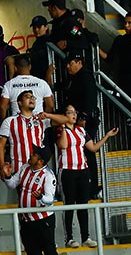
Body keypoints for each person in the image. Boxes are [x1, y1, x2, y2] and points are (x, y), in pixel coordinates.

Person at [44, 105, 119, 247]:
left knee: (83, 204)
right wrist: (65, 127)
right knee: (69, 204)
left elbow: (93, 148)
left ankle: (86, 237)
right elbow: (63, 145)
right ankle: (69, 238)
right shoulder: (59, 129)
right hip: (67, 170)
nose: (73, 115)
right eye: (70, 112)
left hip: (83, 170)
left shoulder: (81, 130)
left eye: (75, 112)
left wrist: (107, 136)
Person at [3, 146, 64, 255]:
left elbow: (50, 199)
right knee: (33, 253)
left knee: (50, 252)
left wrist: (40, 198)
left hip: (43, 220)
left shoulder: (48, 175)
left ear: (41, 161)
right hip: (26, 220)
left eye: (34, 155)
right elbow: (12, 185)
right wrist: (7, 176)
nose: (30, 155)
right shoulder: (24, 167)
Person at [0, 90, 46, 181]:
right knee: (24, 195)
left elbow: (64, 119)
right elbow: (0, 145)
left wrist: (48, 115)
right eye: (27, 96)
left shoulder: (40, 120)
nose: (31, 98)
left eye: (33, 97)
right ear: (19, 103)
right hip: (19, 170)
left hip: (39, 169)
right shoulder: (9, 121)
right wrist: (2, 167)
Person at [0, 54, 54, 119]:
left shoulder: (9, 84)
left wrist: (2, 122)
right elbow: (50, 105)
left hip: (17, 124)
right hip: (39, 123)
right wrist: (45, 120)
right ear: (30, 67)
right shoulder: (42, 83)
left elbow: (2, 107)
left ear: (15, 68)